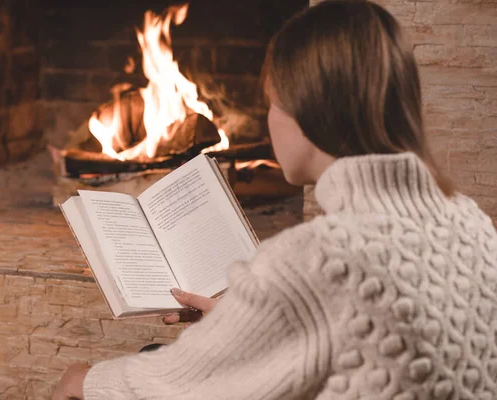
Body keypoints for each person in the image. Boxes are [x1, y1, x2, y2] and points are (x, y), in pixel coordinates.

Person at [52, 0, 497, 398]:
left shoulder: (316, 257)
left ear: (310, 112)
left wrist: (83, 380)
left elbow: (179, 383)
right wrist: (242, 320)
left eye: (273, 102)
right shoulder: (472, 223)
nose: (270, 121)